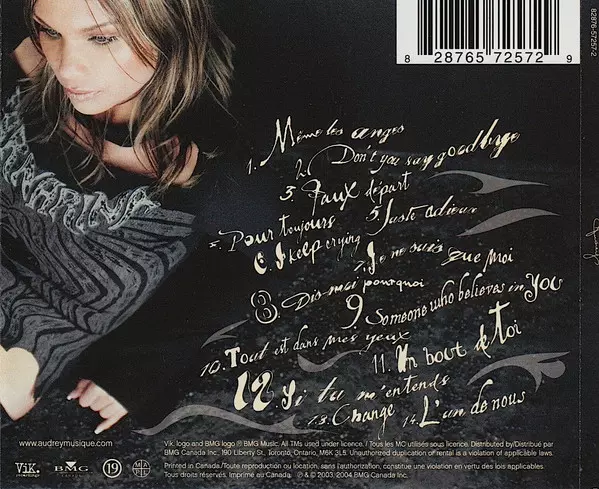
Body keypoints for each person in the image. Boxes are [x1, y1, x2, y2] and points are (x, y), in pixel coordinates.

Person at [1, 0, 270, 433]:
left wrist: (138, 372)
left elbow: (247, 272)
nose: (66, 67)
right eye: (49, 32)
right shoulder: (28, 63)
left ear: (170, 29)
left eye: (102, 37)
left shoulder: (215, 178)